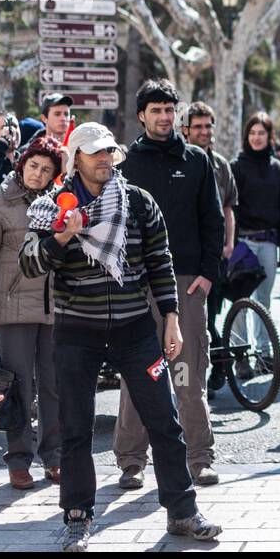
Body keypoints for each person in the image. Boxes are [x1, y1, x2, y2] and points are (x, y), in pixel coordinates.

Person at [19, 122, 223, 551]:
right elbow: (29, 264)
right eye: (95, 152)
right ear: (76, 157)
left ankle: (183, 512)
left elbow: (159, 260)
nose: (104, 159)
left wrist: (170, 317)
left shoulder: (137, 201)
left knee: (164, 421)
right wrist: (62, 236)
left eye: (109, 151)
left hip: (135, 329)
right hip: (76, 331)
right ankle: (77, 516)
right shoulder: (52, 206)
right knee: (75, 427)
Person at [115, 79, 222, 488]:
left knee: (187, 373)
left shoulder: (196, 159)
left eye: (169, 110)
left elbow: (212, 220)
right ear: (141, 115)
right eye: (155, 110)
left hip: (187, 284)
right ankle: (130, 461)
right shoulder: (124, 162)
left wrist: (208, 275)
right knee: (137, 373)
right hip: (136, 286)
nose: (164, 117)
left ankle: (200, 457)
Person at [0, 135, 64, 490]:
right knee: (19, 388)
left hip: (54, 308)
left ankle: (54, 457)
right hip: (12, 309)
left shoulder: (59, 204)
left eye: (46, 170)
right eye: (33, 165)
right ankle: (18, 459)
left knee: (55, 386)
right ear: (22, 163)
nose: (38, 174)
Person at [180, 101, 238, 393]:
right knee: (194, 318)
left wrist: (228, 244)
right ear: (186, 130)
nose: (204, 132)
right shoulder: (181, 161)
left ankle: (219, 365)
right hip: (187, 255)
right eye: (198, 127)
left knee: (211, 314)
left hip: (214, 254)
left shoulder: (221, 165)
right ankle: (205, 371)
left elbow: (227, 209)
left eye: (207, 126)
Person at [232, 112, 280, 313]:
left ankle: (263, 345)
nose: (256, 137)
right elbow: (232, 208)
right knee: (240, 299)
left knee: (264, 300)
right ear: (246, 136)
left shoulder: (278, 168)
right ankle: (239, 345)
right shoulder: (236, 166)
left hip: (269, 242)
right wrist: (231, 243)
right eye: (252, 133)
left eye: (261, 133)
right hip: (242, 242)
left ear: (269, 136)